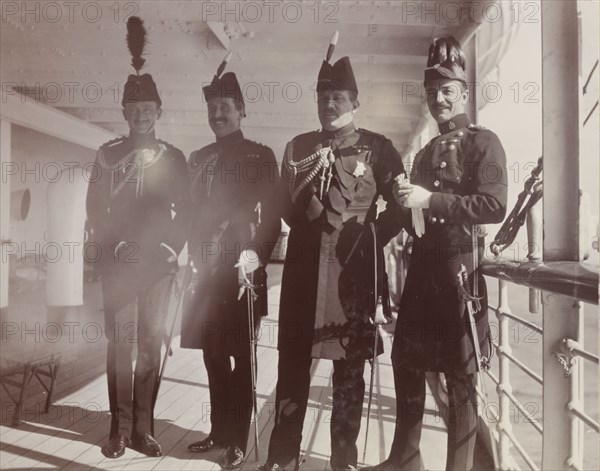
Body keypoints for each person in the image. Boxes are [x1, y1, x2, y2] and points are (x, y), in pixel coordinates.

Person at [361, 36, 508, 471]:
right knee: (406, 362)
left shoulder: (484, 142)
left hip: (458, 280)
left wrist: (430, 200)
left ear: (463, 92)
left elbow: (494, 205)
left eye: (447, 91)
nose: (438, 99)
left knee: (460, 385)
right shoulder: (425, 151)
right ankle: (404, 459)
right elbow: (410, 215)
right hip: (422, 280)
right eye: (432, 93)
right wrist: (368, 232)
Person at [258, 53, 404, 471]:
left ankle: (343, 460)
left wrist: (371, 239)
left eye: (338, 96)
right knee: (292, 366)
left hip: (351, 279)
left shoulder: (379, 149)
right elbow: (280, 207)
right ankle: (282, 456)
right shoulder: (298, 148)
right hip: (303, 275)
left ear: (355, 102)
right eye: (323, 96)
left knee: (349, 374)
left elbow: (398, 206)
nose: (329, 104)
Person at [86, 17, 190, 459]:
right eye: (134, 108)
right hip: (119, 267)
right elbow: (94, 208)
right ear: (125, 113)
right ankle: (118, 430)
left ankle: (145, 430)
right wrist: (112, 246)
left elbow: (185, 212)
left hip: (158, 268)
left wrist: (167, 247)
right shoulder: (107, 155)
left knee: (151, 345)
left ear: (158, 112)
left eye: (149, 108)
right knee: (119, 347)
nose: (141, 114)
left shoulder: (174, 157)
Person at [181, 67, 281, 470]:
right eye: (212, 107)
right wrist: (191, 255)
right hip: (206, 269)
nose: (217, 114)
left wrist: (254, 257)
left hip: (242, 270)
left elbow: (272, 217)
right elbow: (190, 215)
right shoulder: (199, 158)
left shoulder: (260, 156)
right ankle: (219, 431)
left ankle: (238, 438)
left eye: (225, 107)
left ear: (241, 111)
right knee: (211, 355)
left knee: (241, 355)